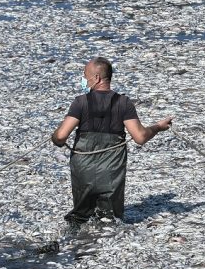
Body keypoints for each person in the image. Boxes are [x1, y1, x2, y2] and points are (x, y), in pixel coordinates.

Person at [52, 57, 173, 224]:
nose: (83, 80)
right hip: (111, 172)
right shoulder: (123, 103)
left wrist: (55, 138)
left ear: (96, 78)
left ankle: (76, 245)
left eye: (85, 76)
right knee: (110, 222)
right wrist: (158, 127)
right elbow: (140, 137)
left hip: (83, 171)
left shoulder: (80, 102)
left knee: (81, 219)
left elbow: (60, 136)